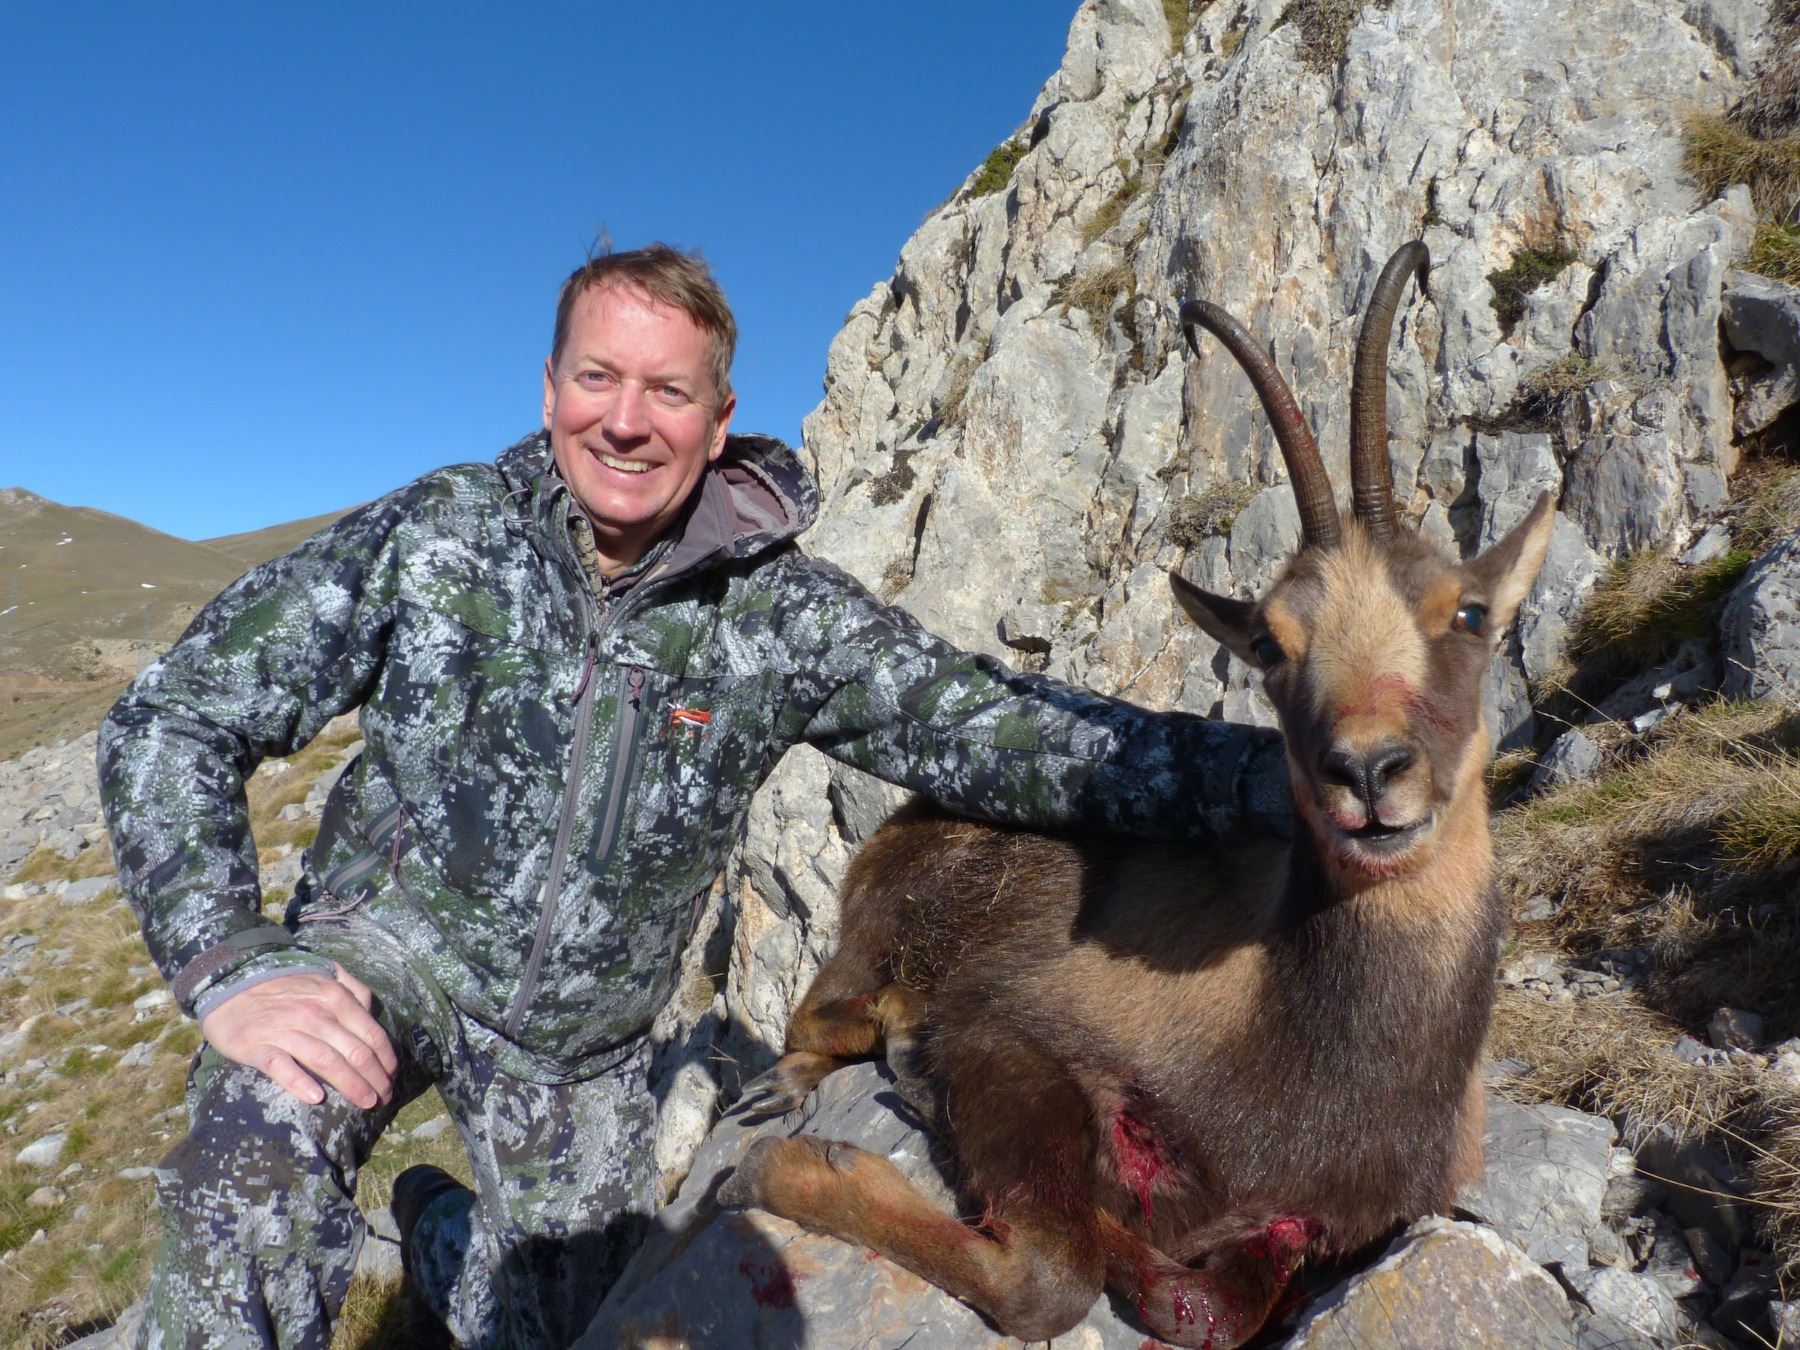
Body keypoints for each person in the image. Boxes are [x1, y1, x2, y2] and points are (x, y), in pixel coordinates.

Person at [99, 244, 1290, 1348]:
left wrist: (1283, 777)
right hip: (387, 961)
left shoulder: (780, 618)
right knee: (257, 1137)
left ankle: (436, 1233)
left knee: (571, 1331)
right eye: (597, 378)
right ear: (550, 387)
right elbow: (175, 713)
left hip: (578, 1057)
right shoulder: (443, 534)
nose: (625, 421)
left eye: (667, 392)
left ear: (719, 422)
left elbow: (999, 729)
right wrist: (226, 959)